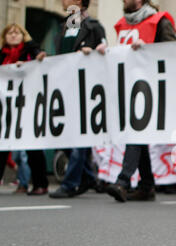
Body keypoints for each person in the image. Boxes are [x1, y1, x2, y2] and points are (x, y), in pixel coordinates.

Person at [105, 0, 176, 203]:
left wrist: (149, 50)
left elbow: (173, 51)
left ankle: (123, 181)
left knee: (136, 129)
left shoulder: (159, 21)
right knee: (139, 132)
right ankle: (146, 185)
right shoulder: (122, 24)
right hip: (130, 87)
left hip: (153, 86)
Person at [49, 0, 107, 199]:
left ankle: (70, 183)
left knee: (80, 136)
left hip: (85, 89)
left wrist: (94, 52)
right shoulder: (65, 27)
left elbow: (104, 52)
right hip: (65, 88)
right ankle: (88, 177)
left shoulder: (94, 27)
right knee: (65, 135)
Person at [0, 23, 49, 196]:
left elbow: (41, 59)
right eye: (10, 33)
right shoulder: (2, 56)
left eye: (17, 32)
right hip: (6, 109)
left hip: (27, 105)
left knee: (31, 146)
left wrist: (31, 63)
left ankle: (40, 183)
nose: (13, 35)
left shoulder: (31, 50)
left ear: (23, 35)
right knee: (2, 145)